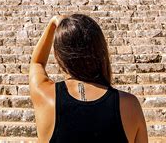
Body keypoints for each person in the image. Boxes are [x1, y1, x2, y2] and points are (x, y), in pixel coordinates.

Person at [29, 13, 148, 143]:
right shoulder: (130, 105)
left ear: (60, 57)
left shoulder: (45, 96)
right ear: (101, 51)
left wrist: (53, 24)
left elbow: (37, 62)